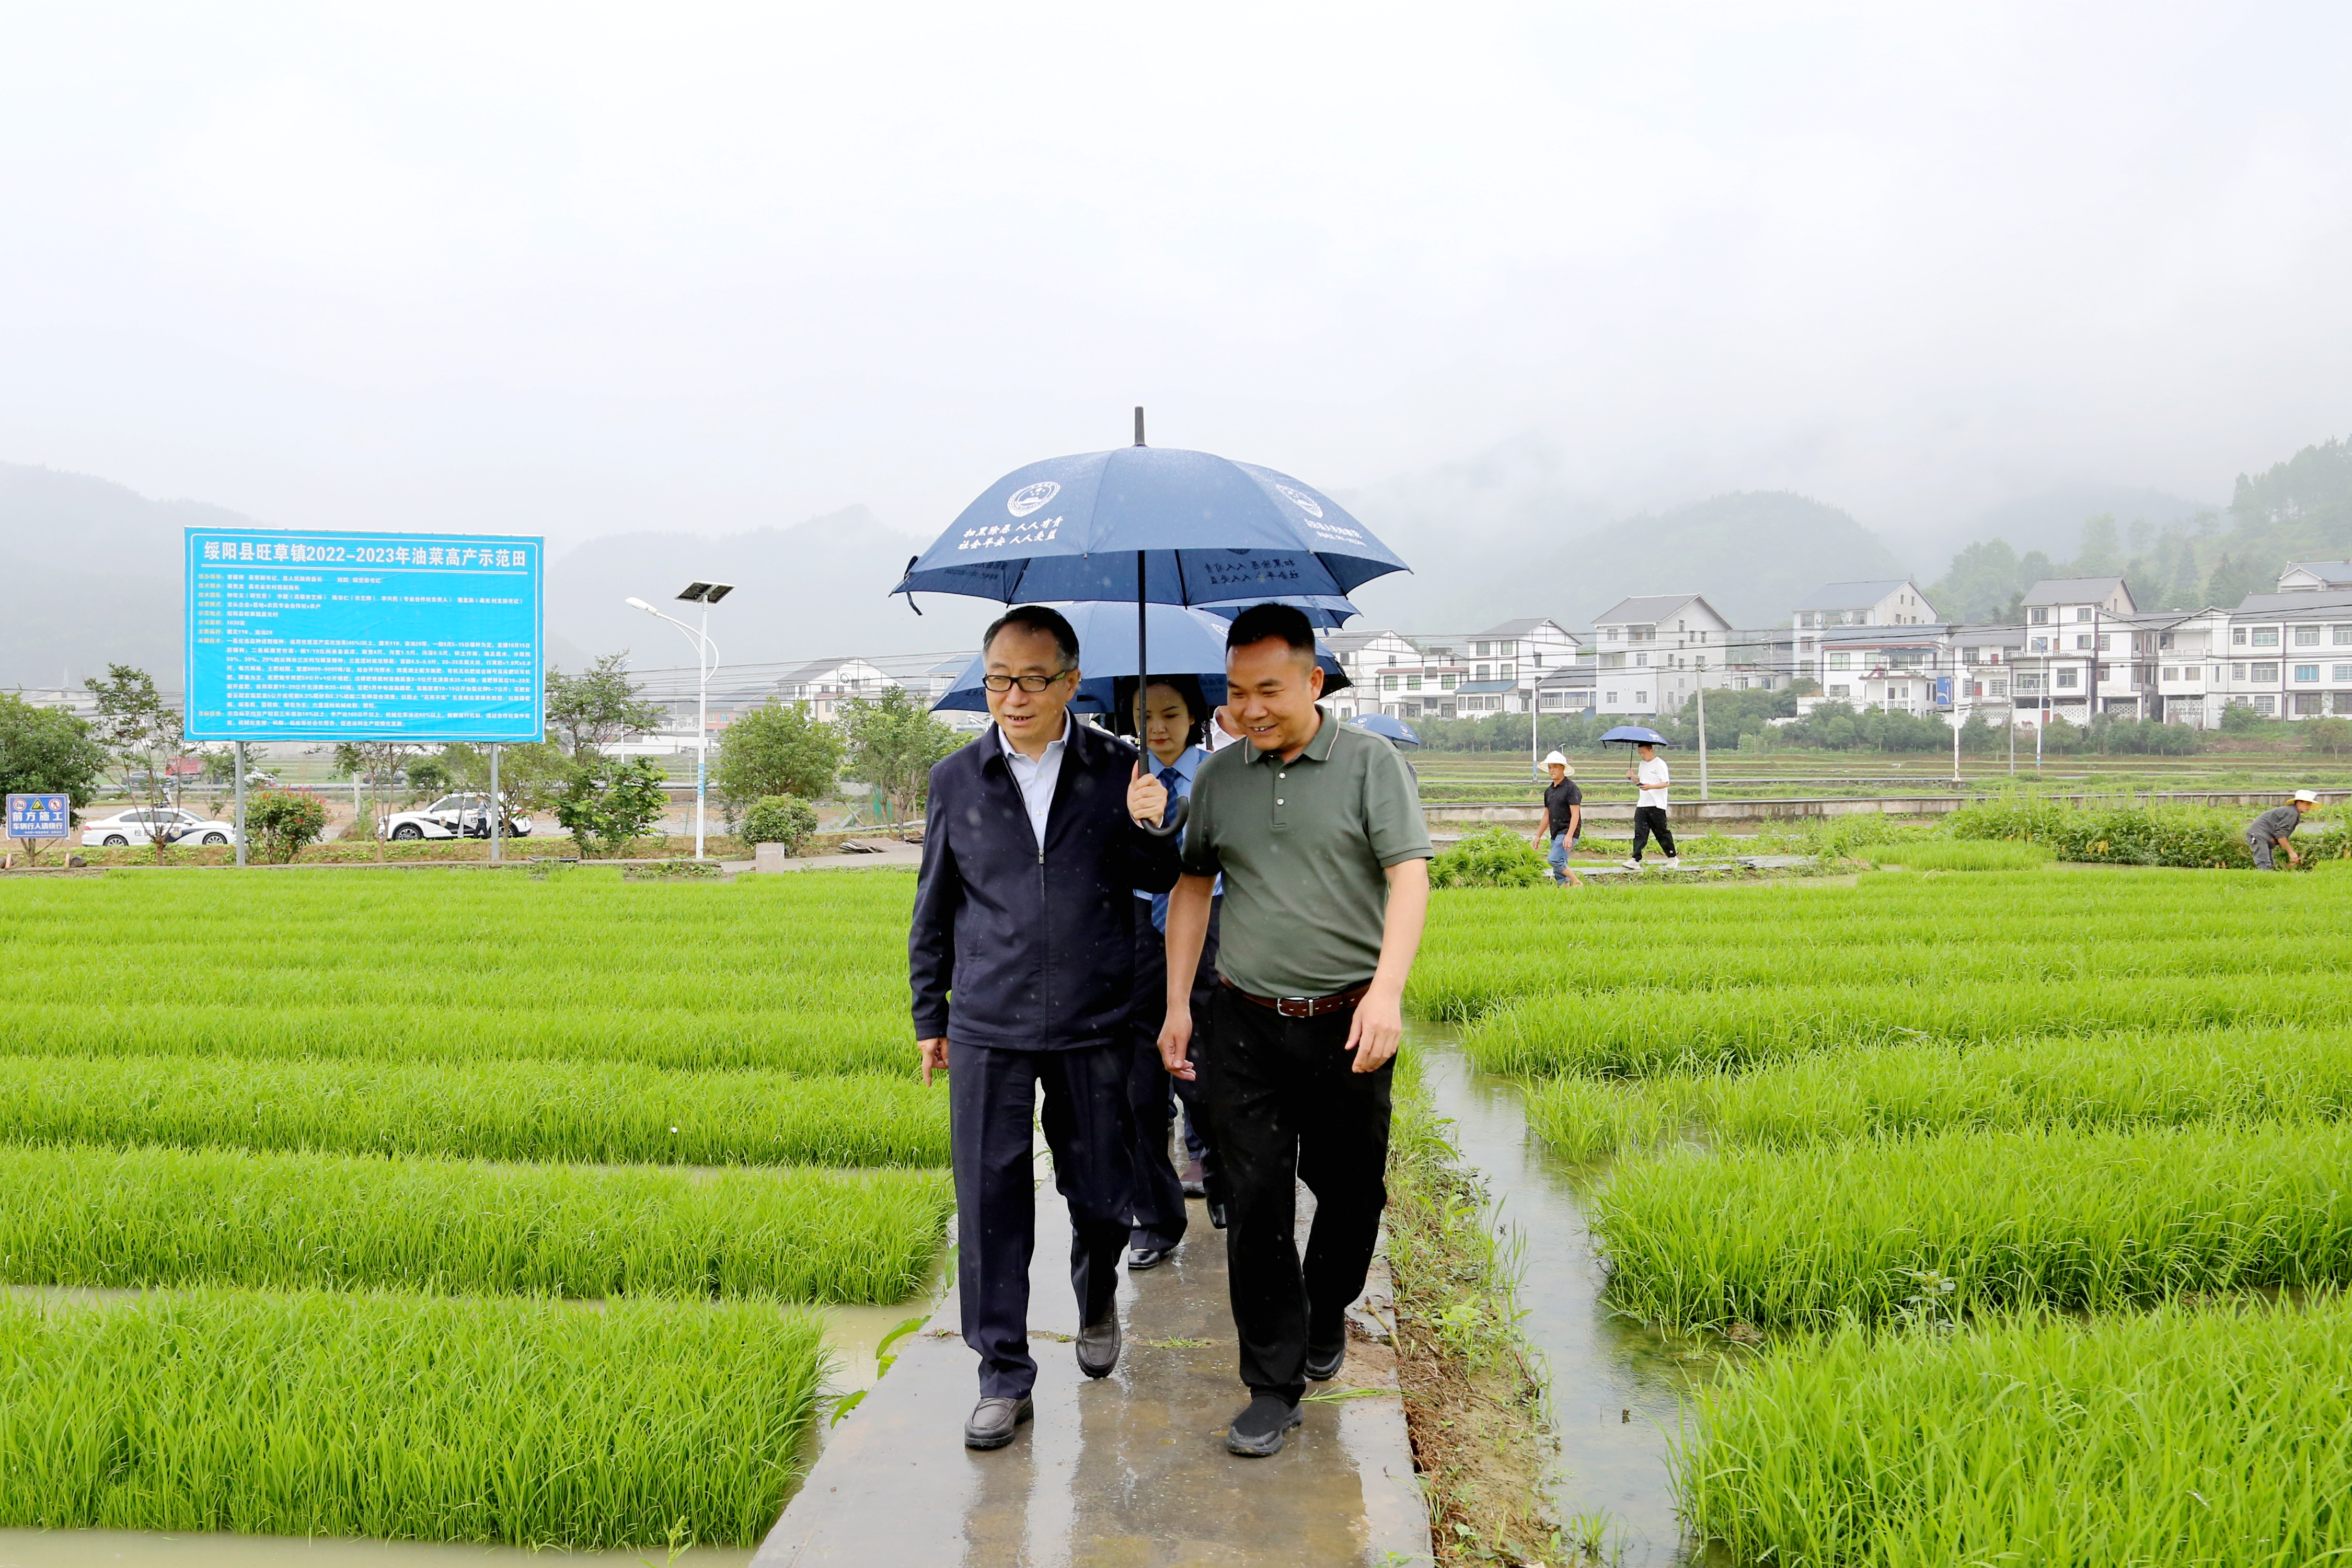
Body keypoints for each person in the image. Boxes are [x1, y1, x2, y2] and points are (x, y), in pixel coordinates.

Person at [1158, 603, 1433, 1459]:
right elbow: (1194, 889)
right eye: (1237, 694)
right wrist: (1176, 1006)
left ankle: (1328, 1308)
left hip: (1350, 1021)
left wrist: (1387, 993)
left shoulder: (1368, 765)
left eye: (1268, 690)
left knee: (1351, 1199)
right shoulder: (1220, 778)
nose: (1250, 709)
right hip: (1243, 1021)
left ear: (1314, 682)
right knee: (1258, 1203)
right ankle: (1270, 1386)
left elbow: (1411, 877)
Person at [908, 605, 1175, 1451]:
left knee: (1098, 1194)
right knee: (988, 1200)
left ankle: (1096, 1298)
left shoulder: (1113, 766)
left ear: (1069, 681)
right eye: (999, 679)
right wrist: (930, 1013)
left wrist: (1151, 819)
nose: (1014, 696)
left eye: (1032, 679)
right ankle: (1003, 1375)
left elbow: (1158, 876)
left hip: (1094, 1016)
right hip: (988, 1018)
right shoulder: (958, 777)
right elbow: (936, 901)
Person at [1122, 674, 1226, 1269]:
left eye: (1169, 713)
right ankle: (1156, 1217)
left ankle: (1218, 1170)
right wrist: (1132, 818)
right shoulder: (1125, 779)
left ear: (1194, 717)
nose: (1157, 727)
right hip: (1137, 933)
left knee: (1206, 1075)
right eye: (1144, 715)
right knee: (1138, 1089)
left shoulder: (1221, 775)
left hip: (1213, 926)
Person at [1621, 741, 1678, 870]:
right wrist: (1633, 778)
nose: (1642, 756)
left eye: (1644, 753)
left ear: (1651, 751)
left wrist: (1651, 787)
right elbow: (1642, 782)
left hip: (1657, 805)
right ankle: (1635, 859)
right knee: (1640, 832)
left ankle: (1672, 857)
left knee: (1661, 833)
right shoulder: (1642, 764)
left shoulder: (1660, 764)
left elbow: (1666, 783)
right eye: (1640, 753)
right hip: (1643, 803)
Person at [1535, 751, 1583, 887]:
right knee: (1560, 869)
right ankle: (1566, 892)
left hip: (1567, 830)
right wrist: (1538, 836)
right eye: (1550, 767)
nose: (1552, 770)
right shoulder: (1549, 791)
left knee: (1554, 859)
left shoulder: (1571, 789)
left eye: (1555, 767)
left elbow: (1576, 814)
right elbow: (1547, 815)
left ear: (1563, 768)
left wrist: (1569, 836)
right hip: (1555, 832)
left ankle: (1577, 882)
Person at [2247, 790, 2319, 870]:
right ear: (2299, 803)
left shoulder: (2292, 812)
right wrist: (2291, 853)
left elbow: (2282, 834)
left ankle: (2268, 879)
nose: (2309, 807)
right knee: (2264, 864)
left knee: (2269, 865)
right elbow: (2281, 835)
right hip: (2259, 835)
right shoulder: (2292, 813)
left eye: (2310, 804)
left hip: (2264, 835)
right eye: (2307, 804)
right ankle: (2263, 881)